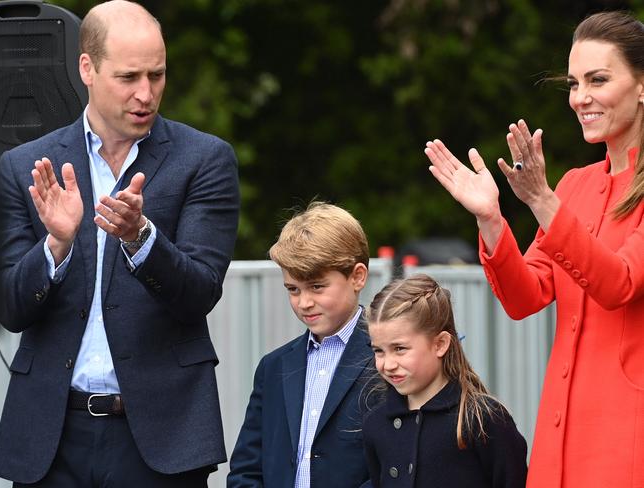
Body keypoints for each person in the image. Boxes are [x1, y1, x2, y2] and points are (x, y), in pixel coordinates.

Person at [0, 1, 239, 486]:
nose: (146, 94)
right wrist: (56, 246)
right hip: (50, 437)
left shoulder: (205, 159)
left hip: (159, 437)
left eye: (157, 75)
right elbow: (10, 309)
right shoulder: (25, 166)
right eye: (128, 77)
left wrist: (141, 239)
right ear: (87, 67)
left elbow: (200, 293)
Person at [424, 10, 644, 488]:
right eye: (573, 83)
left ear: (642, 85)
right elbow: (525, 297)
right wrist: (490, 218)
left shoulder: (559, 194)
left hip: (627, 442)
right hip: (558, 441)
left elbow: (619, 283)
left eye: (598, 79)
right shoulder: (577, 184)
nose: (580, 97)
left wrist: (543, 202)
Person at [227, 202, 374, 488]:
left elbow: (398, 466)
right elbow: (246, 469)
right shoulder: (274, 367)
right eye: (293, 289)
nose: (304, 302)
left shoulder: (388, 360)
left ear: (357, 276)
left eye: (317, 287)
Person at [363, 274, 527, 488]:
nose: (388, 364)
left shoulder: (483, 419)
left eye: (399, 349)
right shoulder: (375, 424)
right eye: (379, 351)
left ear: (440, 344)